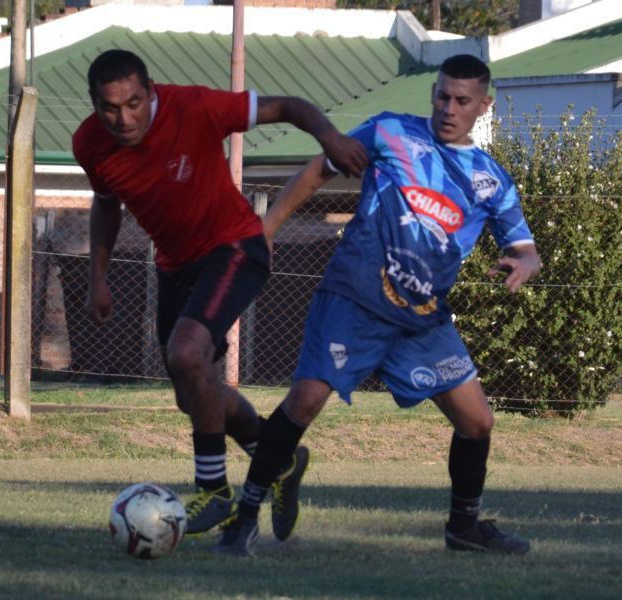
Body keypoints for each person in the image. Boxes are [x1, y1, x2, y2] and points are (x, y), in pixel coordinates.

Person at [215, 54, 541, 556]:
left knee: (478, 422)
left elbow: (525, 248)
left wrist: (524, 264)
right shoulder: (390, 133)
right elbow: (319, 169)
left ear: (484, 105)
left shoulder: (490, 180)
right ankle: (244, 519)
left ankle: (464, 528)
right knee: (304, 400)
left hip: (421, 320)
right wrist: (267, 229)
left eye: (461, 100)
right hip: (355, 298)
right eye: (441, 95)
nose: (448, 108)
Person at [71, 49, 367, 535]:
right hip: (174, 266)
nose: (124, 118)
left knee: (188, 352)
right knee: (194, 395)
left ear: (151, 91)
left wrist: (331, 137)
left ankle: (214, 491)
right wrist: (97, 276)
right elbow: (106, 204)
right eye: (110, 108)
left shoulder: (195, 108)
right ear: (94, 105)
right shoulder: (89, 144)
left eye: (133, 103)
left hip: (234, 247)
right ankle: (279, 462)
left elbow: (289, 105)